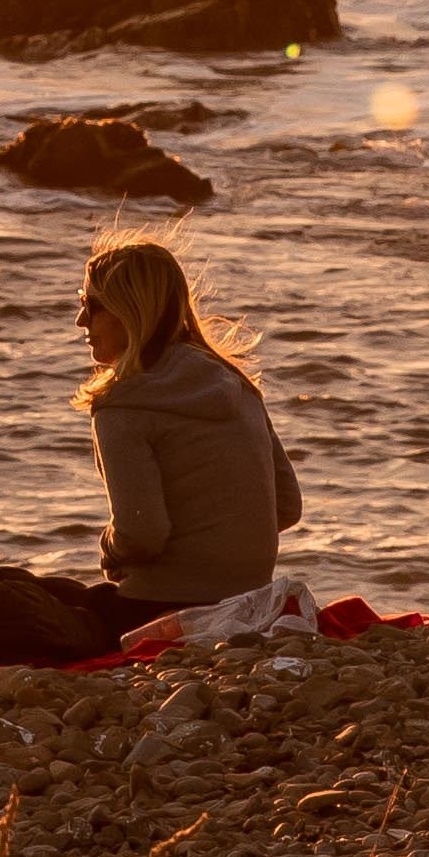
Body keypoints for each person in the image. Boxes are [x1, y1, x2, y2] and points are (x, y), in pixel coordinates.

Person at [76, 238, 303, 631]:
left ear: (131, 312)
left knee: (13, 600)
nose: (81, 321)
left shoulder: (122, 406)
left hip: (160, 606)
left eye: (92, 306)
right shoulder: (237, 384)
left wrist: (109, 549)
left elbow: (142, 533)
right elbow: (286, 507)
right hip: (249, 602)